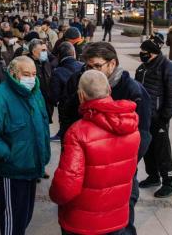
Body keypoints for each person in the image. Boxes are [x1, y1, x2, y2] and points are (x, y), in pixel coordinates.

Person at [59, 42, 152, 234]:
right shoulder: (80, 81)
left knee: (122, 223)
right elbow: (67, 115)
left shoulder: (133, 90)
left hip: (121, 172)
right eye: (88, 66)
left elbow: (144, 133)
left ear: (112, 64)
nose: (92, 71)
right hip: (86, 171)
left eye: (97, 66)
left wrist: (125, 162)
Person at [50, 70, 140, 235]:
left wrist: (54, 196)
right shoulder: (131, 126)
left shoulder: (77, 132)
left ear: (81, 96)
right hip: (117, 217)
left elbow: (66, 186)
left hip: (82, 222)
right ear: (109, 91)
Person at [0, 56, 51, 235]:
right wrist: (8, 154)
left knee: (24, 217)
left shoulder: (35, 91)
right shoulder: (0, 97)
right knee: (12, 221)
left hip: (33, 166)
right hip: (12, 170)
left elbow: (42, 124)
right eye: (26, 74)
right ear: (13, 73)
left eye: (34, 73)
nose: (31, 78)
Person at [135, 38, 172, 198]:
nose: (140, 55)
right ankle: (153, 176)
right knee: (147, 148)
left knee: (162, 150)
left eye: (143, 52)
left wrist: (164, 117)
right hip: (144, 116)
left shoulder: (169, 68)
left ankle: (169, 182)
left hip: (159, 118)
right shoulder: (143, 68)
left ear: (151, 53)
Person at [49, 42, 83, 142]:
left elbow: (54, 97)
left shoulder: (57, 71)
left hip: (65, 110)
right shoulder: (83, 66)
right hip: (83, 107)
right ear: (74, 53)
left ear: (59, 56)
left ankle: (62, 134)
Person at [28, 39, 54, 124]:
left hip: (47, 102)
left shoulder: (45, 61)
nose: (46, 52)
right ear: (34, 51)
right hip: (35, 102)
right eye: (43, 50)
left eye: (46, 50)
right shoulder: (27, 64)